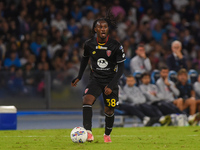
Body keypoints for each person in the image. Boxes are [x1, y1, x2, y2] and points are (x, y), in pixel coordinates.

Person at [71, 11, 126, 143]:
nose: (103, 29)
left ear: (108, 29)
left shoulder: (116, 46)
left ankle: (107, 134)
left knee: (109, 109)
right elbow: (84, 60)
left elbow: (121, 68)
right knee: (87, 100)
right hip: (95, 79)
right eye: (100, 27)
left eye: (105, 27)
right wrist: (79, 76)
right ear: (95, 29)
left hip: (110, 80)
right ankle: (88, 133)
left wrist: (111, 85)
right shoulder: (89, 44)